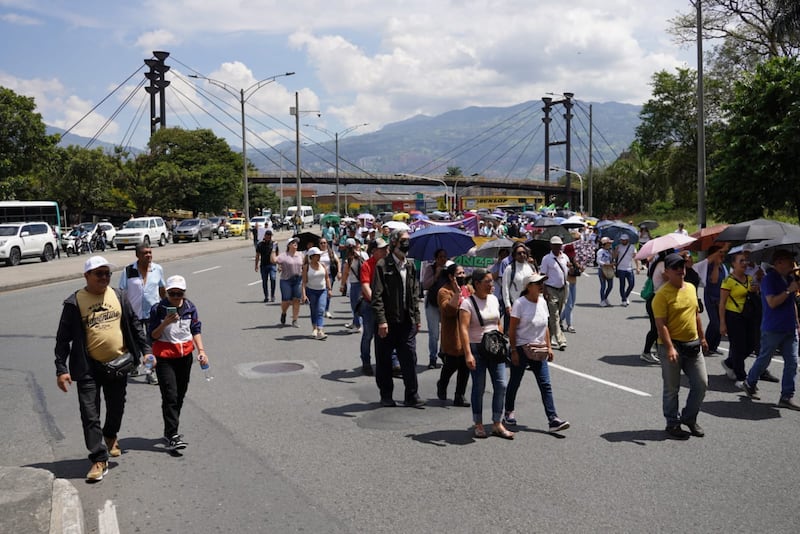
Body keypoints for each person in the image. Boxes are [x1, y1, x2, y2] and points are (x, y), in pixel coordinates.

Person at [55, 256, 150, 481]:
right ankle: (99, 458)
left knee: (116, 407)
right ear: (86, 276)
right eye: (99, 274)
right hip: (87, 367)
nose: (105, 277)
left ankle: (110, 435)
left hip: (118, 363)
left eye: (107, 273)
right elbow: (62, 339)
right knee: (90, 414)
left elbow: (135, 325)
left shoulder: (119, 296)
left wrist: (146, 350)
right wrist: (61, 369)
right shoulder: (74, 302)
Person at [148, 275, 209, 452]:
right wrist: (165, 323)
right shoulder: (158, 309)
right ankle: (173, 434)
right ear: (166, 292)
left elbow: (195, 330)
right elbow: (152, 335)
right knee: (170, 395)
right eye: (172, 293)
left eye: (179, 294)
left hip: (184, 357)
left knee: (179, 395)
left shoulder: (190, 308)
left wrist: (202, 351)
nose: (175, 297)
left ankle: (169, 431)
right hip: (164, 358)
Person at [504, 273, 570, 432]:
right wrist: (513, 350)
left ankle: (553, 419)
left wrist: (548, 347)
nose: (541, 285)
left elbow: (545, 327)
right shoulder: (520, 304)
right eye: (537, 283)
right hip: (521, 348)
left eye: (542, 282)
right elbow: (512, 330)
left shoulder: (542, 302)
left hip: (538, 350)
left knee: (545, 384)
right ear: (528, 286)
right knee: (515, 381)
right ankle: (509, 411)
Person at [653, 253, 708, 439]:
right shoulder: (661, 295)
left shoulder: (691, 288)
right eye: (675, 268)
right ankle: (672, 423)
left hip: (692, 345)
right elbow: (661, 325)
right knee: (672, 388)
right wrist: (669, 348)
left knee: (701, 384)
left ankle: (689, 418)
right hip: (672, 347)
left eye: (682, 267)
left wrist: (702, 337)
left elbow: (696, 314)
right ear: (667, 272)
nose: (680, 270)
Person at [371, 229, 425, 408]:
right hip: (387, 322)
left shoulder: (410, 266)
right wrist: (381, 321)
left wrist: (416, 318)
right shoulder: (382, 265)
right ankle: (386, 395)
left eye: (408, 240)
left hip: (406, 322)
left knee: (409, 358)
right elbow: (377, 296)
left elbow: (414, 294)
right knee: (384, 360)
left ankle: (412, 395)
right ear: (394, 243)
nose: (406, 244)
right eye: (403, 240)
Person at [741, 249, 800, 410]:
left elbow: (792, 302)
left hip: (789, 327)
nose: (793, 264)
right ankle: (749, 382)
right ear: (779, 262)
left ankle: (786, 396)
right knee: (764, 359)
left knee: (793, 362)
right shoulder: (769, 280)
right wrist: (789, 290)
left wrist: (797, 322)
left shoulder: (790, 278)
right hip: (773, 328)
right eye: (790, 260)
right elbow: (772, 302)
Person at [460, 268, 513, 439]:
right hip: (477, 348)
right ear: (477, 284)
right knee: (479, 387)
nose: (492, 284)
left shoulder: (493, 300)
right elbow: (463, 329)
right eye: (488, 281)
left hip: (495, 349)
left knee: (501, 385)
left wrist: (499, 335)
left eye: (492, 281)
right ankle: (478, 423)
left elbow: (498, 321)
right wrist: (468, 354)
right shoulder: (467, 303)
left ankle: (497, 423)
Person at [118, 243, 166, 385]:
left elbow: (162, 290)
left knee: (149, 345)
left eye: (150, 252)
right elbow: (122, 292)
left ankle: (150, 372)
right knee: (134, 343)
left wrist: (169, 307)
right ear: (137, 255)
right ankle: (134, 363)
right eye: (145, 253)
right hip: (134, 314)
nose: (149, 255)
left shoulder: (158, 269)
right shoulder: (128, 271)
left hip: (153, 313)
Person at [719, 252, 759, 386]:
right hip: (734, 316)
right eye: (741, 261)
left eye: (745, 261)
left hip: (748, 316)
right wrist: (722, 323)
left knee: (751, 344)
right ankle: (741, 376)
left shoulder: (749, 279)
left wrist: (755, 291)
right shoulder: (728, 281)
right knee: (738, 346)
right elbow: (722, 303)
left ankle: (730, 362)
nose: (744, 263)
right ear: (733, 264)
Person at [437, 263, 471, 406]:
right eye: (459, 274)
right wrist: (457, 294)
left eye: (463, 273)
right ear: (451, 277)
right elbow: (448, 312)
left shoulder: (469, 289)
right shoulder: (444, 291)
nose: (462, 276)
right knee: (451, 364)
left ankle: (459, 395)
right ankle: (442, 383)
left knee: (465, 366)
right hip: (453, 334)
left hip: (467, 334)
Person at [359, 238, 393, 376]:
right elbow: (365, 286)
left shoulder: (389, 264)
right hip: (370, 305)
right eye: (382, 249)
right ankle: (366, 362)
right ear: (374, 251)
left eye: (387, 248)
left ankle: (393, 362)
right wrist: (376, 302)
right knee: (368, 335)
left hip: (387, 305)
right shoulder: (367, 265)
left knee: (390, 333)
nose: (386, 251)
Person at [694, 245, 728, 354]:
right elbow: (713, 280)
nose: (722, 255)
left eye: (723, 253)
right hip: (711, 298)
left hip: (721, 298)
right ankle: (706, 346)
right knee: (715, 323)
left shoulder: (723, 266)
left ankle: (714, 346)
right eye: (720, 253)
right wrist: (716, 265)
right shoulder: (710, 266)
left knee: (720, 322)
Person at [539, 236, 571, 350]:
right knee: (555, 315)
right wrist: (544, 290)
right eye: (555, 245)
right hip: (551, 289)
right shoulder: (547, 259)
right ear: (551, 246)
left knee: (555, 316)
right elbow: (543, 276)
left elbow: (568, 270)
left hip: (562, 289)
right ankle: (561, 340)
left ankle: (547, 337)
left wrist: (572, 268)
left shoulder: (565, 257)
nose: (558, 247)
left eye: (559, 245)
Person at [641, 250, 669, 364]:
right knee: (656, 328)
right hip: (656, 299)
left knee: (659, 328)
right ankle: (646, 352)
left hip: (656, 298)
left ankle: (657, 349)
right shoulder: (662, 265)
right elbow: (668, 278)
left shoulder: (658, 263)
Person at [421, 249, 448, 369]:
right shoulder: (429, 269)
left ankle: (444, 353)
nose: (443, 259)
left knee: (446, 332)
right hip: (432, 304)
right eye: (440, 257)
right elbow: (425, 285)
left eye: (444, 257)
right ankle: (433, 357)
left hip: (445, 305)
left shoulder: (449, 270)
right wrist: (436, 275)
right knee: (434, 334)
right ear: (436, 259)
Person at [502, 242, 535, 331]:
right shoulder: (510, 269)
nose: (522, 255)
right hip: (515, 305)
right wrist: (508, 305)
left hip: (530, 304)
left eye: (524, 253)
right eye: (519, 253)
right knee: (515, 331)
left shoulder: (531, 267)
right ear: (514, 255)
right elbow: (505, 288)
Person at [301, 246, 331, 340]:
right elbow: (304, 282)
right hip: (311, 291)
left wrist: (329, 289)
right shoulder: (306, 267)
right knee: (314, 310)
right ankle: (314, 328)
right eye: (316, 256)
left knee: (321, 310)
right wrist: (304, 294)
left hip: (322, 291)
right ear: (311, 256)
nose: (318, 257)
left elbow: (326, 278)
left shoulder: (322, 265)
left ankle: (320, 330)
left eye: (319, 255)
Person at [340, 238, 368, 333]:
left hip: (355, 283)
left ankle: (358, 325)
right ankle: (355, 322)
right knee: (362, 303)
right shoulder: (363, 254)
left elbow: (345, 273)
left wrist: (342, 285)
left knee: (355, 305)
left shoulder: (349, 259)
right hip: (365, 282)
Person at [276, 237, 303, 327]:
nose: (295, 244)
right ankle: (284, 312)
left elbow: (306, 265)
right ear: (288, 245)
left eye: (296, 242)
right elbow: (274, 260)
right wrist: (273, 249)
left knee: (296, 300)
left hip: (298, 279)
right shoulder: (284, 255)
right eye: (293, 242)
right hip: (286, 280)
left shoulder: (301, 255)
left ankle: (295, 320)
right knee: (286, 300)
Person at [560, 243, 582, 333]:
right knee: (568, 305)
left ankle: (559, 319)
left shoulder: (574, 260)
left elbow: (578, 272)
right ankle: (569, 325)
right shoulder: (563, 260)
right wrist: (569, 268)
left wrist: (579, 267)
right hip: (566, 284)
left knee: (572, 305)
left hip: (573, 284)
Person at [255, 229, 278, 302]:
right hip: (263, 265)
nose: (269, 237)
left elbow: (277, 254)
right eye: (267, 235)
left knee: (273, 278)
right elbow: (257, 255)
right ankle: (266, 296)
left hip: (272, 265)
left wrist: (279, 264)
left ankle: (272, 295)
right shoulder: (260, 244)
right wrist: (256, 265)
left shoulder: (274, 244)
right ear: (265, 236)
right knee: (264, 281)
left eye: (270, 236)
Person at [317, 237, 339, 318]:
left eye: (324, 243)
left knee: (328, 292)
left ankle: (326, 310)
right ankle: (320, 308)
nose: (323, 244)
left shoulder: (331, 252)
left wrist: (339, 272)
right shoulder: (317, 253)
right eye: (321, 243)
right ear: (319, 244)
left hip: (329, 275)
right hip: (318, 276)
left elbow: (337, 262)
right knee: (320, 293)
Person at [614, 233, 636, 306]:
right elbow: (614, 256)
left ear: (627, 240)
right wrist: (615, 250)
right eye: (622, 240)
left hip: (629, 268)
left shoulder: (632, 247)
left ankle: (625, 296)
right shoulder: (619, 247)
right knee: (622, 284)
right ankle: (623, 299)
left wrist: (638, 267)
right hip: (621, 268)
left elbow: (635, 256)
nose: (623, 241)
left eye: (624, 240)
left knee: (631, 284)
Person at [596, 236, 614, 307]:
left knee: (610, 286)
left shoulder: (610, 251)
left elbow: (611, 259)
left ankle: (605, 297)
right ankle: (602, 300)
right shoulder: (600, 251)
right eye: (608, 243)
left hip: (609, 269)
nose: (610, 244)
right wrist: (605, 264)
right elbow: (598, 261)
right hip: (602, 269)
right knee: (603, 286)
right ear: (605, 244)